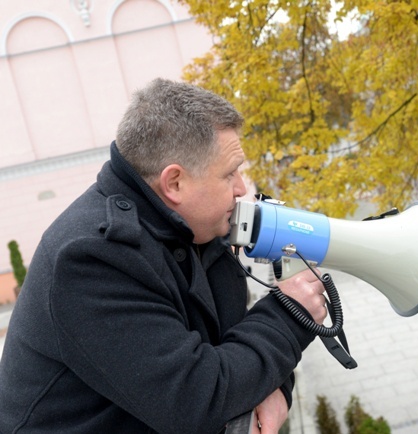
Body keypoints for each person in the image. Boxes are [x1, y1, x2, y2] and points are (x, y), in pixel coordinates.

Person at [0, 78, 328, 433]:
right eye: (229, 173)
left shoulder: (196, 227)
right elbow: (196, 399)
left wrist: (277, 392)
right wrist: (290, 313)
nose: (241, 188)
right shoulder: (90, 258)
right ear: (174, 183)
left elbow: (243, 348)